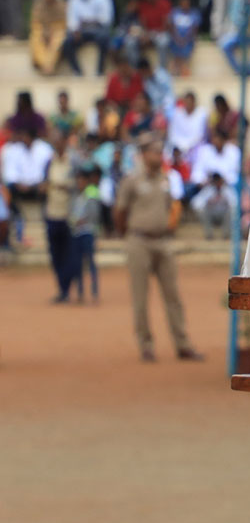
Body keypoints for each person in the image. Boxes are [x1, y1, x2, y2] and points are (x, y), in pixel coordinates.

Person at [114, 135, 202, 363]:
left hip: (163, 241)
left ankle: (182, 344)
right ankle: (146, 346)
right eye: (154, 151)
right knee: (140, 298)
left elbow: (169, 208)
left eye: (160, 151)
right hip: (139, 241)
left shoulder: (166, 179)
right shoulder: (132, 180)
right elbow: (120, 213)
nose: (159, 155)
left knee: (173, 296)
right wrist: (129, 235)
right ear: (143, 155)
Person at [43, 129, 77, 303]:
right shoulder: (49, 162)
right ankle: (62, 289)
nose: (57, 144)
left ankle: (68, 287)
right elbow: (44, 184)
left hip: (68, 214)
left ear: (65, 141)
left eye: (60, 140)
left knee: (69, 254)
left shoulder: (73, 162)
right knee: (55, 254)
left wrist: (64, 186)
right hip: (52, 213)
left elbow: (79, 185)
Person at [61, 0, 116, 76]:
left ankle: (100, 70)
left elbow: (106, 19)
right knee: (67, 42)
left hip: (98, 29)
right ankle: (77, 71)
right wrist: (75, 30)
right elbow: (71, 20)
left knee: (105, 38)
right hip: (81, 31)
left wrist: (90, 22)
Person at [67, 165, 101, 302]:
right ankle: (80, 291)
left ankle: (94, 291)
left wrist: (81, 221)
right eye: (78, 181)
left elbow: (94, 214)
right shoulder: (75, 197)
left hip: (88, 232)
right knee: (78, 264)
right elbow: (71, 213)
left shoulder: (91, 194)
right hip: (77, 233)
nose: (79, 183)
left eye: (82, 181)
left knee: (91, 262)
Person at [28, 0, 67, 75]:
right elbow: (35, 21)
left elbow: (63, 24)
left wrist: (51, 31)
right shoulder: (38, 4)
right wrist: (45, 31)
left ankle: (48, 65)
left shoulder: (61, 5)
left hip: (57, 30)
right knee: (36, 37)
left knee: (58, 40)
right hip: (41, 29)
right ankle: (43, 64)